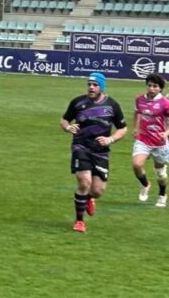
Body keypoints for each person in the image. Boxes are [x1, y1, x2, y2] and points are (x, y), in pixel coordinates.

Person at [60, 72, 128, 232]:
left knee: (97, 190)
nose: (91, 87)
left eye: (95, 85)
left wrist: (110, 139)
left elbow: (123, 128)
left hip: (101, 151)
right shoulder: (78, 102)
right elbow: (64, 120)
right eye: (89, 84)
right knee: (84, 182)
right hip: (80, 146)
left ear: (102, 87)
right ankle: (79, 221)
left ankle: (90, 198)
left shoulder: (112, 105)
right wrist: (68, 127)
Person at [131, 73, 169, 207]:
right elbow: (137, 112)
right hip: (143, 139)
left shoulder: (165, 103)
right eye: (149, 85)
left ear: (160, 88)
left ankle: (162, 194)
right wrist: (135, 128)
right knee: (136, 165)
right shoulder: (139, 99)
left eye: (155, 86)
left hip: (160, 143)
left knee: (161, 174)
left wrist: (166, 133)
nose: (152, 88)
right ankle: (146, 184)